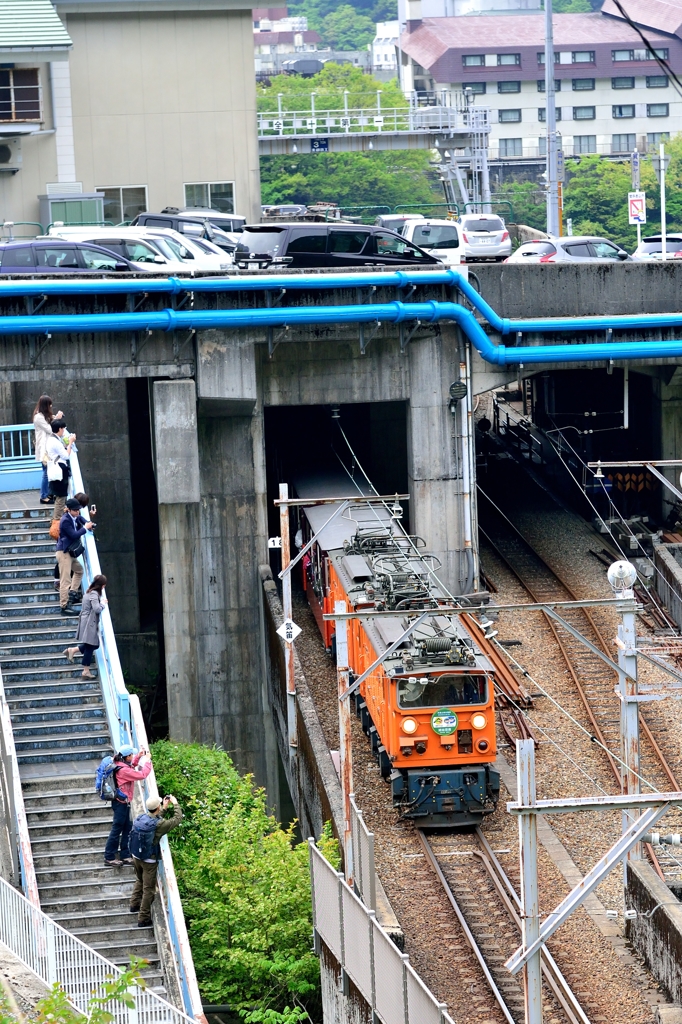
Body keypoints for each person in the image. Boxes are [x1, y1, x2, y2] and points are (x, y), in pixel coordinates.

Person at [130, 794, 183, 927]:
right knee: (149, 889)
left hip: (136, 855)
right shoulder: (159, 824)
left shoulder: (142, 818)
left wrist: (164, 808)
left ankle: (134, 904)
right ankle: (143, 918)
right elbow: (177, 819)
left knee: (139, 880)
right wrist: (175, 804)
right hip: (149, 860)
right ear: (157, 807)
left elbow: (155, 821)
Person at [103, 745, 152, 867]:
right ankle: (109, 857)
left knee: (127, 828)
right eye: (132, 755)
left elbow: (131, 766)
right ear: (126, 756)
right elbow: (141, 775)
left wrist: (138, 757)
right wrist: (148, 761)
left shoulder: (120, 763)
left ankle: (125, 855)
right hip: (120, 804)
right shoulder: (123, 771)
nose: (133, 757)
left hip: (123, 802)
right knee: (117, 829)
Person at [63, 574, 107, 679]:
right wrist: (103, 604)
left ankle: (72, 650)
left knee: (93, 645)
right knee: (91, 646)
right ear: (102, 585)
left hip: (85, 620)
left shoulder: (89, 591)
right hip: (89, 622)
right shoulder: (94, 594)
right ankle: (85, 671)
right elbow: (97, 609)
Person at [55, 498, 93, 616]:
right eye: (75, 510)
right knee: (65, 580)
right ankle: (64, 606)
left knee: (79, 571)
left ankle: (72, 593)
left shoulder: (74, 516)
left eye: (78, 510)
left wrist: (89, 524)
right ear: (69, 510)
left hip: (69, 552)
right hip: (64, 552)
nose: (78, 512)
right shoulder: (65, 520)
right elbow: (74, 534)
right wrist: (85, 528)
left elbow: (82, 520)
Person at [33, 395, 63, 504]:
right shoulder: (38, 417)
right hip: (44, 449)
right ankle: (43, 496)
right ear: (46, 405)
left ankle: (49, 494)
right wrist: (57, 419)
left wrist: (55, 418)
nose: (51, 406)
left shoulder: (43, 415)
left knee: (49, 471)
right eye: (49, 404)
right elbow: (50, 429)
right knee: (46, 473)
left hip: (48, 447)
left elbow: (49, 422)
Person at [46, 419, 76, 523]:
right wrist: (70, 443)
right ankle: (56, 521)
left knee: (58, 496)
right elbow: (66, 456)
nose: (64, 430)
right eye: (63, 428)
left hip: (54, 469)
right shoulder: (55, 441)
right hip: (60, 469)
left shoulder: (51, 439)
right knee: (61, 496)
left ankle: (56, 519)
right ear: (59, 429)